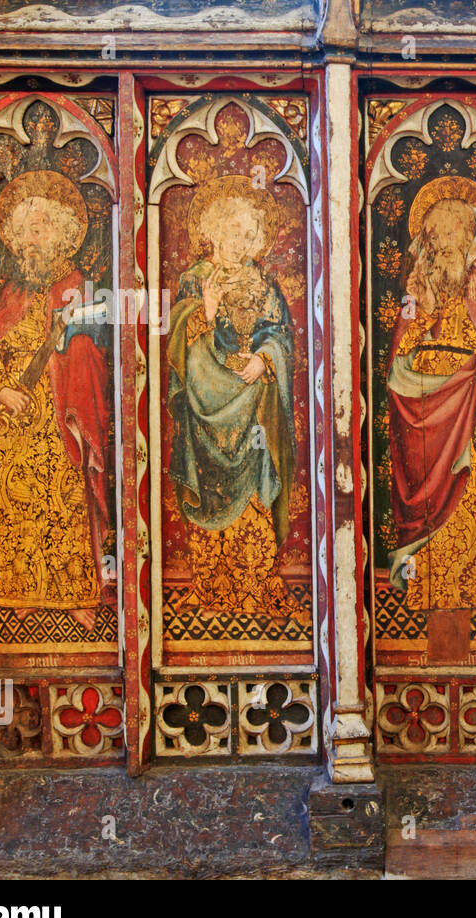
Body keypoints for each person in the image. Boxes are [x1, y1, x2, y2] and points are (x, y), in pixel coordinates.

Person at [0, 169, 111, 633]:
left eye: (43, 228)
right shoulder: (12, 292)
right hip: (15, 429)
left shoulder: (77, 286)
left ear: (65, 234)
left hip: (60, 424)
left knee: (67, 507)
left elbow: (96, 344)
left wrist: (71, 359)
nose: (33, 239)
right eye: (26, 230)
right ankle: (22, 593)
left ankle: (77, 595)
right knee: (21, 511)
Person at [166, 174, 308, 625]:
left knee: (252, 491)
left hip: (252, 407)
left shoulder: (264, 284)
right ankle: (210, 586)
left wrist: (265, 360)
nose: (241, 243)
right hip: (205, 407)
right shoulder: (195, 280)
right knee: (208, 496)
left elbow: (283, 337)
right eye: (233, 232)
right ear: (213, 231)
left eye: (250, 235)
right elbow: (174, 344)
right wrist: (204, 316)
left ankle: (251, 585)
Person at [387, 176, 476, 633]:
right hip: (424, 410)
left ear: (468, 239)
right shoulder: (416, 287)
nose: (445, 243)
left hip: (466, 408)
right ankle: (426, 590)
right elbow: (400, 353)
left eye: (454, 234)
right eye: (438, 235)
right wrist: (415, 359)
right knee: (428, 503)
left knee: (471, 497)